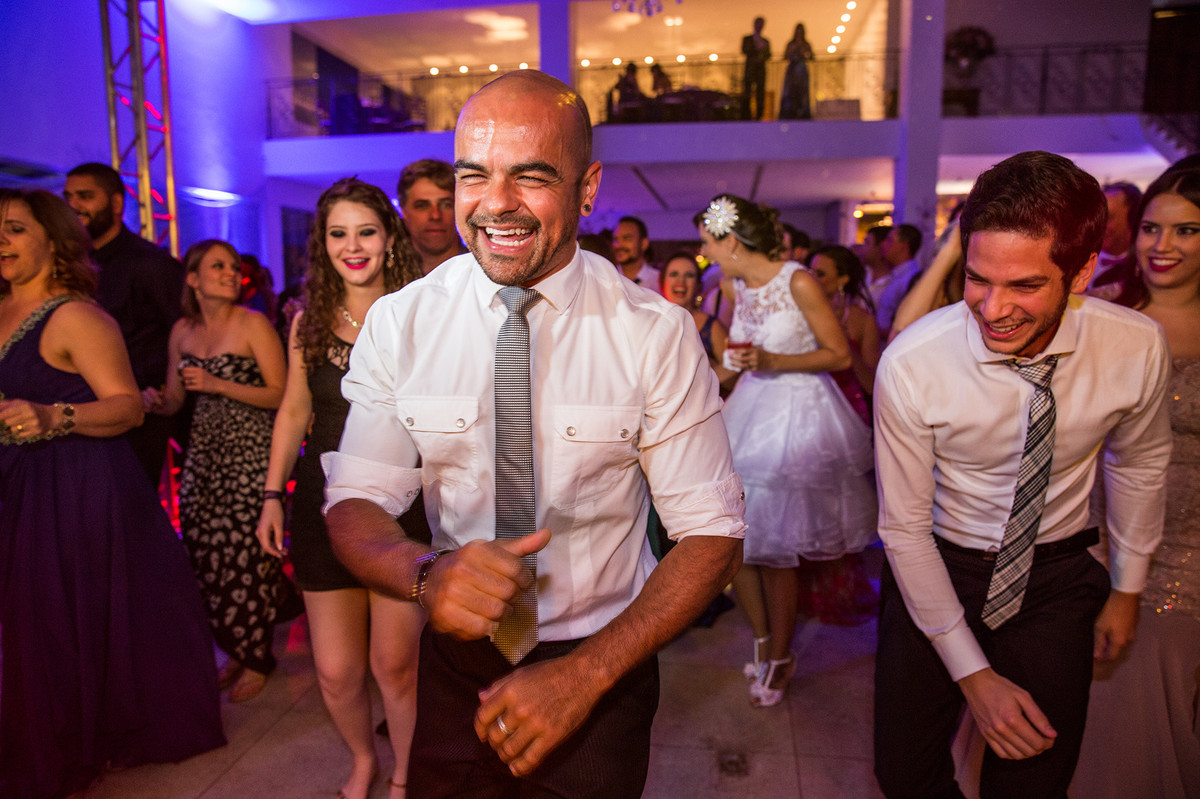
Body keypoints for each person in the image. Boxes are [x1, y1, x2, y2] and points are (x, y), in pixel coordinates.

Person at [323, 70, 746, 798]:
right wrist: (426, 574)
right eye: (474, 176)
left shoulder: (654, 334)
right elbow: (356, 499)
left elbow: (712, 534)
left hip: (601, 663)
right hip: (455, 662)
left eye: (530, 176)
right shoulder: (402, 322)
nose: (495, 204)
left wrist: (586, 675)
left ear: (587, 188)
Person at [872, 151, 1172, 799]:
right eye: (978, 279)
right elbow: (901, 528)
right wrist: (973, 677)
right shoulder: (913, 363)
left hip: (1057, 577)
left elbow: (1141, 461)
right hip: (936, 562)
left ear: (1083, 271)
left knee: (1035, 775)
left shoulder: (1136, 346)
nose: (994, 308)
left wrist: (1128, 586)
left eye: (1025, 286)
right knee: (905, 771)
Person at [0, 190, 223, 799]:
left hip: (70, 485)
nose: (2, 240)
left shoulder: (75, 316)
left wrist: (52, 417)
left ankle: (69, 742)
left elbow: (127, 408)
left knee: (50, 619)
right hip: (14, 481)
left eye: (15, 229)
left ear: (52, 240)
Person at [255, 178, 425, 799]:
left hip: (404, 510)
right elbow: (294, 413)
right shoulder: (306, 323)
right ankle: (362, 760)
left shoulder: (420, 314)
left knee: (395, 664)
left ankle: (407, 772)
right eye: (337, 234)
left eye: (366, 231)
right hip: (321, 507)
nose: (352, 247)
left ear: (388, 236)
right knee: (334, 670)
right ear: (322, 244)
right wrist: (272, 496)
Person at [700, 194, 876, 706]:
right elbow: (734, 360)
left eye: (709, 242)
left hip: (796, 415)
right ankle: (760, 639)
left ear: (731, 241)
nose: (704, 251)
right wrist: (688, 394)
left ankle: (780, 655)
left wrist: (774, 360)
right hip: (749, 410)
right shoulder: (735, 287)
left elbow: (839, 352)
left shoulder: (799, 279)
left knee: (776, 552)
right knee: (740, 545)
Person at [1071, 166, 1200, 799]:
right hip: (1101, 534)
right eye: (1151, 227)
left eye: (1186, 230)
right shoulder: (1108, 320)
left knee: (1168, 702)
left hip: (1192, 556)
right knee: (1098, 707)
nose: (1162, 245)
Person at [150, 238, 296, 704]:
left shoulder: (253, 323)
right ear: (192, 279)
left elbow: (281, 394)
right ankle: (235, 644)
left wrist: (217, 383)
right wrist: (152, 401)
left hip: (251, 453)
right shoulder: (182, 331)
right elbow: (176, 398)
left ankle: (256, 655)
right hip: (203, 455)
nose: (231, 273)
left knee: (246, 554)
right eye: (218, 266)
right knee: (204, 552)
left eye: (234, 266)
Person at [62, 162, 183, 487]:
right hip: (82, 412)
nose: (74, 205)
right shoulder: (69, 266)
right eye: (68, 197)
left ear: (116, 203)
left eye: (85, 196)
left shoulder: (150, 263)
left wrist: (160, 389)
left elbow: (184, 333)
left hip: (138, 414)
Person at [806, 244, 879, 424]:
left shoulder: (862, 320)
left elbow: (872, 384)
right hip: (806, 404)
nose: (812, 279)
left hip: (848, 410)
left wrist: (841, 341)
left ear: (842, 279)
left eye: (820, 274)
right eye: (810, 272)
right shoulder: (800, 313)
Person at [659, 250, 737, 393]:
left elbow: (734, 378)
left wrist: (707, 371)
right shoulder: (651, 322)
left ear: (698, 285)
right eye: (674, 274)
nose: (680, 282)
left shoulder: (711, 326)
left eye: (689, 275)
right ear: (663, 282)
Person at [397, 158, 464, 275]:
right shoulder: (388, 278)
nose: (435, 215)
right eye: (422, 206)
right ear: (403, 211)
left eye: (446, 205)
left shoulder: (483, 272)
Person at [1088, 181, 1141, 291]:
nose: (1098, 225)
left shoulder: (1144, 267)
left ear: (1133, 219)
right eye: (1097, 217)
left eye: (1108, 217)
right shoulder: (1075, 258)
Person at [874, 222, 923, 335]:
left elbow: (907, 327)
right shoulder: (895, 276)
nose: (883, 244)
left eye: (890, 240)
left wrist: (872, 331)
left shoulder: (912, 280)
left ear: (904, 246)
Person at [611, 215, 659, 286]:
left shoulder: (658, 281)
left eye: (627, 238)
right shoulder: (608, 277)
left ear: (643, 244)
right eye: (616, 240)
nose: (618, 245)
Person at [779, 23, 814, 119]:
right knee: (791, 92)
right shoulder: (790, 44)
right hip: (792, 71)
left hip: (802, 71)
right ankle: (790, 112)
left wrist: (804, 51)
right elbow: (785, 57)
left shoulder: (806, 44)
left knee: (802, 92)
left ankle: (803, 113)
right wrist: (792, 49)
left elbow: (811, 57)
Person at [741, 17, 771, 120]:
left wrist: (762, 53)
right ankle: (746, 115)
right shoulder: (747, 39)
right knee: (747, 92)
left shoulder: (766, 41)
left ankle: (759, 115)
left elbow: (768, 55)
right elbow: (744, 50)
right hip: (750, 70)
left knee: (760, 93)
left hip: (760, 71)